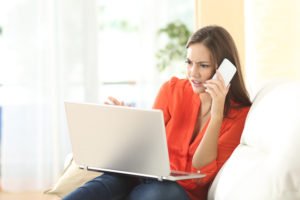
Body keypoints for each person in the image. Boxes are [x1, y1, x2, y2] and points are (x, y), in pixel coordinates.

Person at [63, 25, 252, 200]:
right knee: (103, 184)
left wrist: (217, 114)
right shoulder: (172, 89)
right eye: (189, 62)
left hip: (179, 192)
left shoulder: (240, 115)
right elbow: (145, 145)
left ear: (224, 69)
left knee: (158, 193)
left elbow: (201, 168)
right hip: (146, 176)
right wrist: (128, 121)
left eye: (203, 65)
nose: (193, 73)